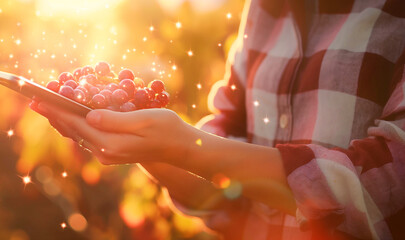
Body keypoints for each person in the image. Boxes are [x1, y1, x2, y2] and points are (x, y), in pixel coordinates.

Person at [30, 0, 405, 239]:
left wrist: (185, 147)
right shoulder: (263, 10)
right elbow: (228, 193)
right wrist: (154, 148)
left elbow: (390, 189)